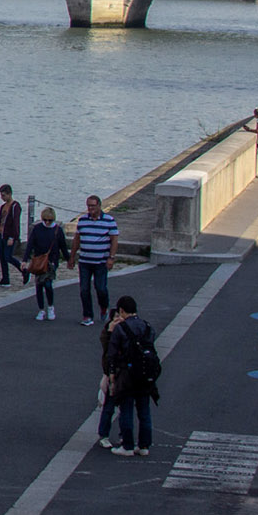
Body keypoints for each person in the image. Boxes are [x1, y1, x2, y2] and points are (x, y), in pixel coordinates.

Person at [105, 295, 159, 456]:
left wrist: (112, 375)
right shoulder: (147, 327)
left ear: (121, 310)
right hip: (145, 374)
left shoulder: (120, 328)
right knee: (144, 411)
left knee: (126, 409)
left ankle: (127, 445)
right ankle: (144, 445)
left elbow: (112, 354)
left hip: (127, 375)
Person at [72, 195, 119, 326]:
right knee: (84, 289)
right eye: (88, 206)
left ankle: (104, 307)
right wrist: (72, 256)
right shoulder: (82, 221)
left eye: (93, 206)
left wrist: (111, 257)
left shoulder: (109, 221)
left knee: (101, 288)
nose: (90, 209)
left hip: (101, 261)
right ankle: (87, 315)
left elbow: (114, 240)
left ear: (99, 206)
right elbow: (77, 239)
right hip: (85, 261)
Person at [93, 299, 130, 449]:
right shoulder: (108, 334)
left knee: (124, 408)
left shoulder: (127, 332)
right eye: (115, 318)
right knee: (108, 407)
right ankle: (104, 434)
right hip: (111, 374)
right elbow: (107, 353)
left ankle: (122, 435)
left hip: (123, 374)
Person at [25, 207, 70, 320]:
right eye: (45, 220)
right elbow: (30, 245)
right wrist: (25, 260)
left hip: (51, 261)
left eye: (49, 220)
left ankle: (50, 307)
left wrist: (69, 259)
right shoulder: (37, 229)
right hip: (39, 260)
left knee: (48, 284)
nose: (47, 222)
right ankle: (41, 309)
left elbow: (63, 247)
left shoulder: (57, 230)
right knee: (39, 285)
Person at [0, 185, 25, 286]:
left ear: (9, 194)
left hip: (9, 236)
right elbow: (0, 222)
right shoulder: (2, 207)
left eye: (3, 195)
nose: (2, 198)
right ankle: (5, 279)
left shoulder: (15, 206)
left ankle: (23, 270)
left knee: (8, 257)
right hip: (1, 234)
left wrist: (13, 237)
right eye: (1, 195)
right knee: (2, 258)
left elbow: (15, 223)